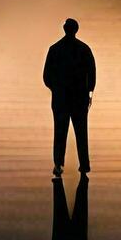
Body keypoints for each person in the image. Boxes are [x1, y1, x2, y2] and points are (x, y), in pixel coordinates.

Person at [43, 17, 95, 176]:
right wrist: (89, 92)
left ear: (65, 29)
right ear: (76, 30)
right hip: (79, 98)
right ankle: (84, 165)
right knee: (81, 132)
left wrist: (56, 90)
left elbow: (46, 76)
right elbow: (92, 75)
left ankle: (58, 164)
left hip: (60, 99)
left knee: (60, 132)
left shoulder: (55, 49)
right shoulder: (84, 49)